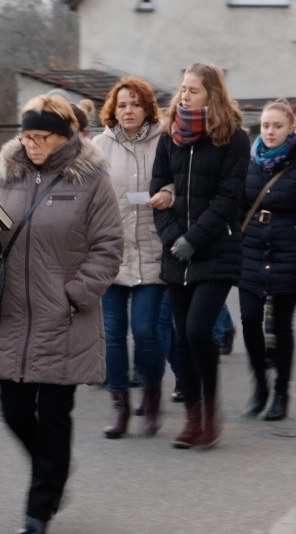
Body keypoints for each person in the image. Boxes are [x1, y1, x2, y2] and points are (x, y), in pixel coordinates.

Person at [0, 94, 122, 534]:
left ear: (64, 137)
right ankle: (53, 472)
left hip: (65, 315)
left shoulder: (91, 178)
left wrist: (74, 295)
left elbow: (109, 246)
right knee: (14, 410)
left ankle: (37, 513)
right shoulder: (8, 173)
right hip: (14, 314)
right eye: (27, 136)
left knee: (54, 415)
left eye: (41, 137)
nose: (31, 145)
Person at [150, 62, 249, 450]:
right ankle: (191, 418)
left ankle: (210, 414)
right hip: (177, 250)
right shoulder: (169, 135)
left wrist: (194, 238)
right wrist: (173, 236)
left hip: (216, 248)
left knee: (196, 330)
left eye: (193, 90)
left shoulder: (233, 137)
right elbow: (159, 188)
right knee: (180, 335)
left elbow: (228, 197)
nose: (185, 95)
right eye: (184, 88)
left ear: (212, 94)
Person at [239, 99, 296, 421]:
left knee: (281, 325)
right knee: (249, 319)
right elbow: (238, 206)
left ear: (291, 128)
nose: (270, 131)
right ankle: (260, 384)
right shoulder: (249, 161)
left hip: (288, 252)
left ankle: (281, 391)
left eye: (277, 126)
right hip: (251, 250)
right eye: (265, 126)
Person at [91, 76, 166, 439]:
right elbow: (87, 196)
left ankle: (151, 398)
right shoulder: (99, 146)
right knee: (112, 333)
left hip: (152, 249)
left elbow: (177, 182)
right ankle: (119, 405)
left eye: (135, 104)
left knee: (146, 330)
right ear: (113, 109)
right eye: (122, 105)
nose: (129, 111)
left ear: (147, 107)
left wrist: (168, 193)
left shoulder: (165, 141)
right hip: (111, 252)